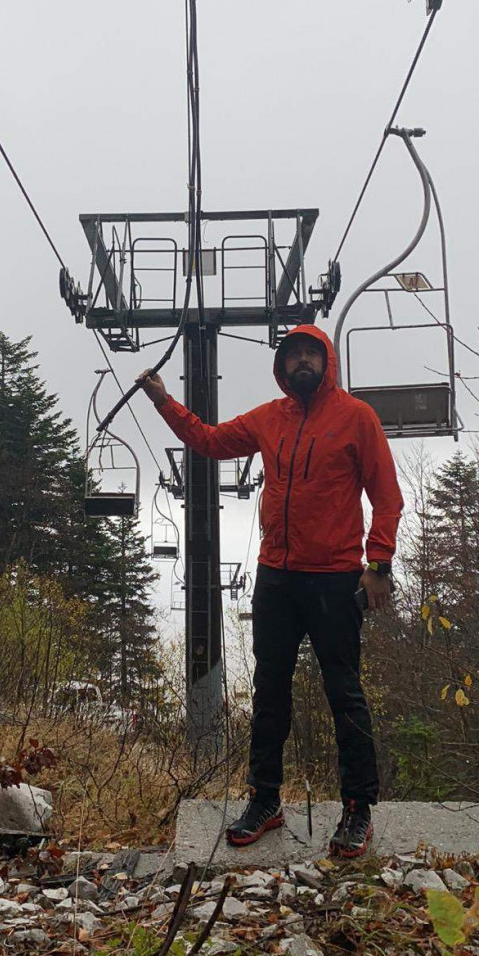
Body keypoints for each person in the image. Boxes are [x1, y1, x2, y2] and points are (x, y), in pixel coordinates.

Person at [137, 323, 403, 858]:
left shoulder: (357, 418)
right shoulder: (268, 418)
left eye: (311, 353)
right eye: (293, 355)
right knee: (269, 692)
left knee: (344, 693)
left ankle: (358, 809)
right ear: (281, 366)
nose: (302, 361)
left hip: (334, 575)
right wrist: (165, 401)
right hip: (275, 576)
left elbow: (388, 496)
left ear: (327, 362)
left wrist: (379, 563)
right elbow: (209, 442)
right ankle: (265, 800)